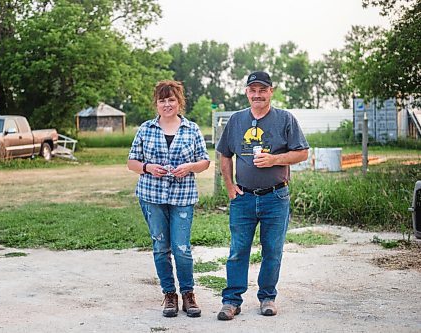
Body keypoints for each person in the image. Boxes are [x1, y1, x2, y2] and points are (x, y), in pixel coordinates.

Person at [216, 71, 309, 320]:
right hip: (243, 197)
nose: (257, 94)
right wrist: (229, 185)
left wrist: (274, 159)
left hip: (275, 197)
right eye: (252, 90)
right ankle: (231, 301)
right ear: (247, 92)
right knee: (238, 250)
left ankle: (267, 297)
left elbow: (302, 153)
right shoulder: (236, 121)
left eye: (262, 90)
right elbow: (224, 154)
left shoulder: (285, 119)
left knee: (272, 251)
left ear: (271, 91)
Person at [127, 80, 210, 318]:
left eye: (171, 99)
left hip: (182, 197)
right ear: (156, 103)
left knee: (182, 248)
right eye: (162, 100)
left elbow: (204, 161)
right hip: (152, 196)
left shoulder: (191, 129)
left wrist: (190, 167)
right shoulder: (145, 129)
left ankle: (188, 294)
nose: (167, 104)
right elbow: (131, 162)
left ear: (179, 102)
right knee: (161, 247)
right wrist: (147, 167)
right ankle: (169, 295)